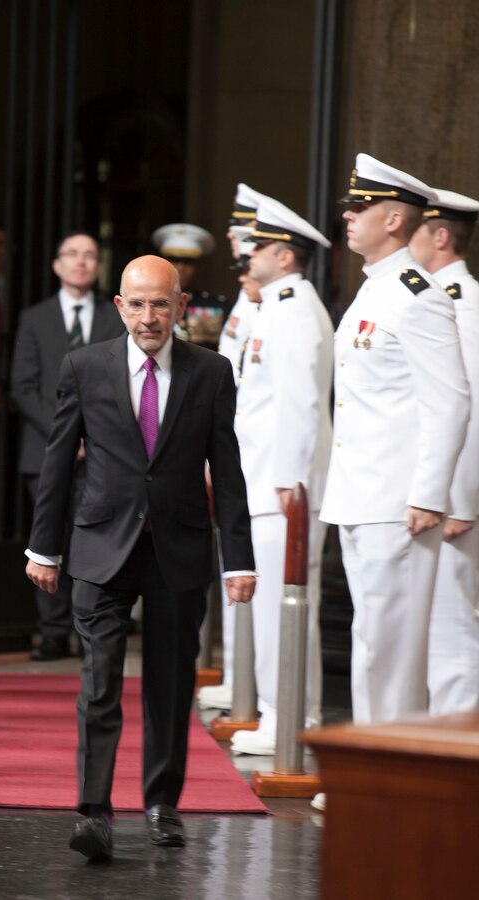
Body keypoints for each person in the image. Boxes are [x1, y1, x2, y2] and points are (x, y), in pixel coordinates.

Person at [25, 255, 255, 860]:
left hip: (179, 546)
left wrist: (238, 559)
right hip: (101, 545)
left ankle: (162, 804)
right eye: (137, 304)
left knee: (170, 685)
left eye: (161, 304)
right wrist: (43, 546)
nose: (149, 316)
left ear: (180, 307)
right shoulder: (85, 366)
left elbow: (228, 472)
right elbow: (56, 461)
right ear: (119, 307)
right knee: (99, 683)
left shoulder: (212, 372)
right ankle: (94, 811)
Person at [313, 155, 471, 812]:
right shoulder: (378, 289)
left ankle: (387, 783)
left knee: (392, 646)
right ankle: (373, 773)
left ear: (395, 218)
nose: (347, 216)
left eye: (359, 207)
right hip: (365, 493)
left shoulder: (416, 297)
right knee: (375, 641)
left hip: (397, 501)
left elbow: (453, 399)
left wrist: (429, 494)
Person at [221, 197, 334, 756]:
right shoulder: (276, 307)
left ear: (285, 256)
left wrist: (289, 481)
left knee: (283, 605)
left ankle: (287, 714)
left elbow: (299, 404)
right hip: (264, 477)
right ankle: (279, 711)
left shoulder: (293, 310)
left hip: (280, 484)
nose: (247, 252)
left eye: (258, 245)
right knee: (270, 607)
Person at [11, 231, 126, 661]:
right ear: (57, 265)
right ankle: (53, 632)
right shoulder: (34, 318)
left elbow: (120, 385)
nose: (81, 262)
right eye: (72, 255)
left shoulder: (113, 318)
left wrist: (89, 436)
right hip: (44, 452)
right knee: (47, 539)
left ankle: (88, 630)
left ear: (98, 267)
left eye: (90, 256)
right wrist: (65, 437)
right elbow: (23, 387)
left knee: (92, 540)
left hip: (100, 455)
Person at [409, 188, 479, 714]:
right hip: (429, 493)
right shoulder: (431, 297)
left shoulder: (464, 304)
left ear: (440, 236)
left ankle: (455, 768)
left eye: (417, 228)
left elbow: (470, 408)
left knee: (452, 634)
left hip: (452, 502)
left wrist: (458, 500)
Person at [198, 182, 265, 713]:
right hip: (241, 453)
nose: (233, 239)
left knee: (253, 580)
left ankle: (270, 698)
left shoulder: (280, 303)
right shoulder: (248, 295)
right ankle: (242, 680)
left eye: (243, 232)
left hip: (265, 468)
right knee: (237, 576)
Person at [151, 223, 226, 349]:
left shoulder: (216, 306)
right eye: (174, 259)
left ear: (198, 266)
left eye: (188, 262)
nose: (181, 267)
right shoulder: (147, 304)